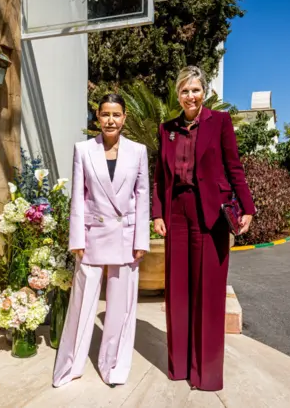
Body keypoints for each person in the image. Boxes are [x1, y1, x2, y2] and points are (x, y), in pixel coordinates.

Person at [151, 66, 256, 391]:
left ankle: (206, 374)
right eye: (184, 91)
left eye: (195, 90)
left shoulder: (220, 122)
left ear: (204, 92)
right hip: (177, 212)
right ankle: (180, 366)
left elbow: (234, 166)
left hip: (211, 214)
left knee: (209, 292)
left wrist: (248, 206)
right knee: (179, 292)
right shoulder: (166, 129)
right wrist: (157, 214)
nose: (190, 96)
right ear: (178, 95)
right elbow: (159, 177)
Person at [52, 94, 150, 388]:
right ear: (97, 117)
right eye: (105, 114)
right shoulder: (83, 150)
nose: (110, 120)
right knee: (82, 306)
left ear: (125, 118)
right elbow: (79, 199)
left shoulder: (138, 151)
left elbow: (142, 194)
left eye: (116, 114)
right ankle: (71, 364)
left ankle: (114, 365)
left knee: (120, 307)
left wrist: (141, 239)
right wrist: (76, 238)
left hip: (125, 237)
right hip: (92, 236)